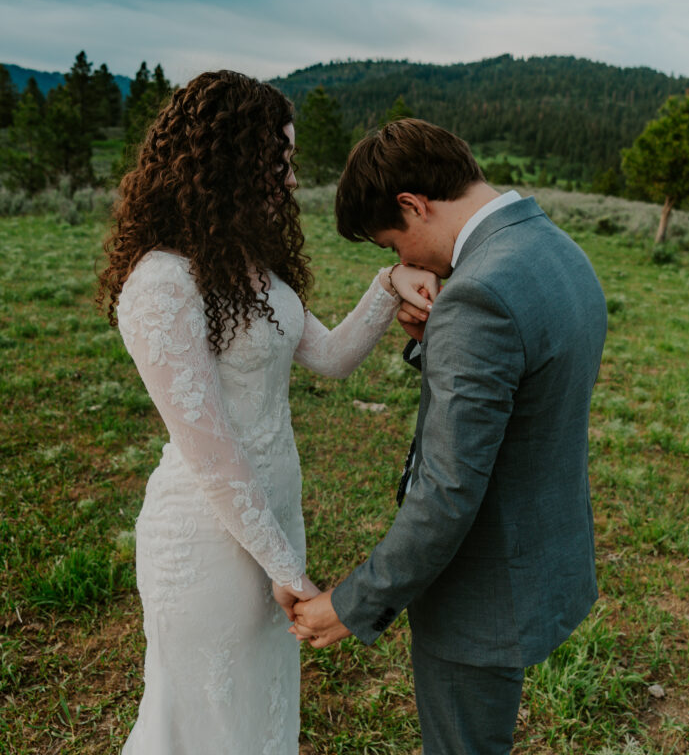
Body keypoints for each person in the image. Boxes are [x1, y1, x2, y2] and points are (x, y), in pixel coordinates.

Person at [96, 72, 438, 754]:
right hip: (205, 540)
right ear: (226, 159)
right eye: (278, 160)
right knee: (206, 721)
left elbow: (332, 358)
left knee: (259, 712)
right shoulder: (161, 282)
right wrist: (286, 568)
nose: (287, 180)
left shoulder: (248, 266)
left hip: (277, 514)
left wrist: (388, 283)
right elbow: (212, 455)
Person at [292, 118, 608, 755]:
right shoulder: (555, 248)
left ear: (413, 204)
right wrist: (433, 344)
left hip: (479, 588)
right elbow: (527, 378)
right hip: (542, 552)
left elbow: (447, 492)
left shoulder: (478, 293)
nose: (402, 265)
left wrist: (353, 603)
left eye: (393, 244)